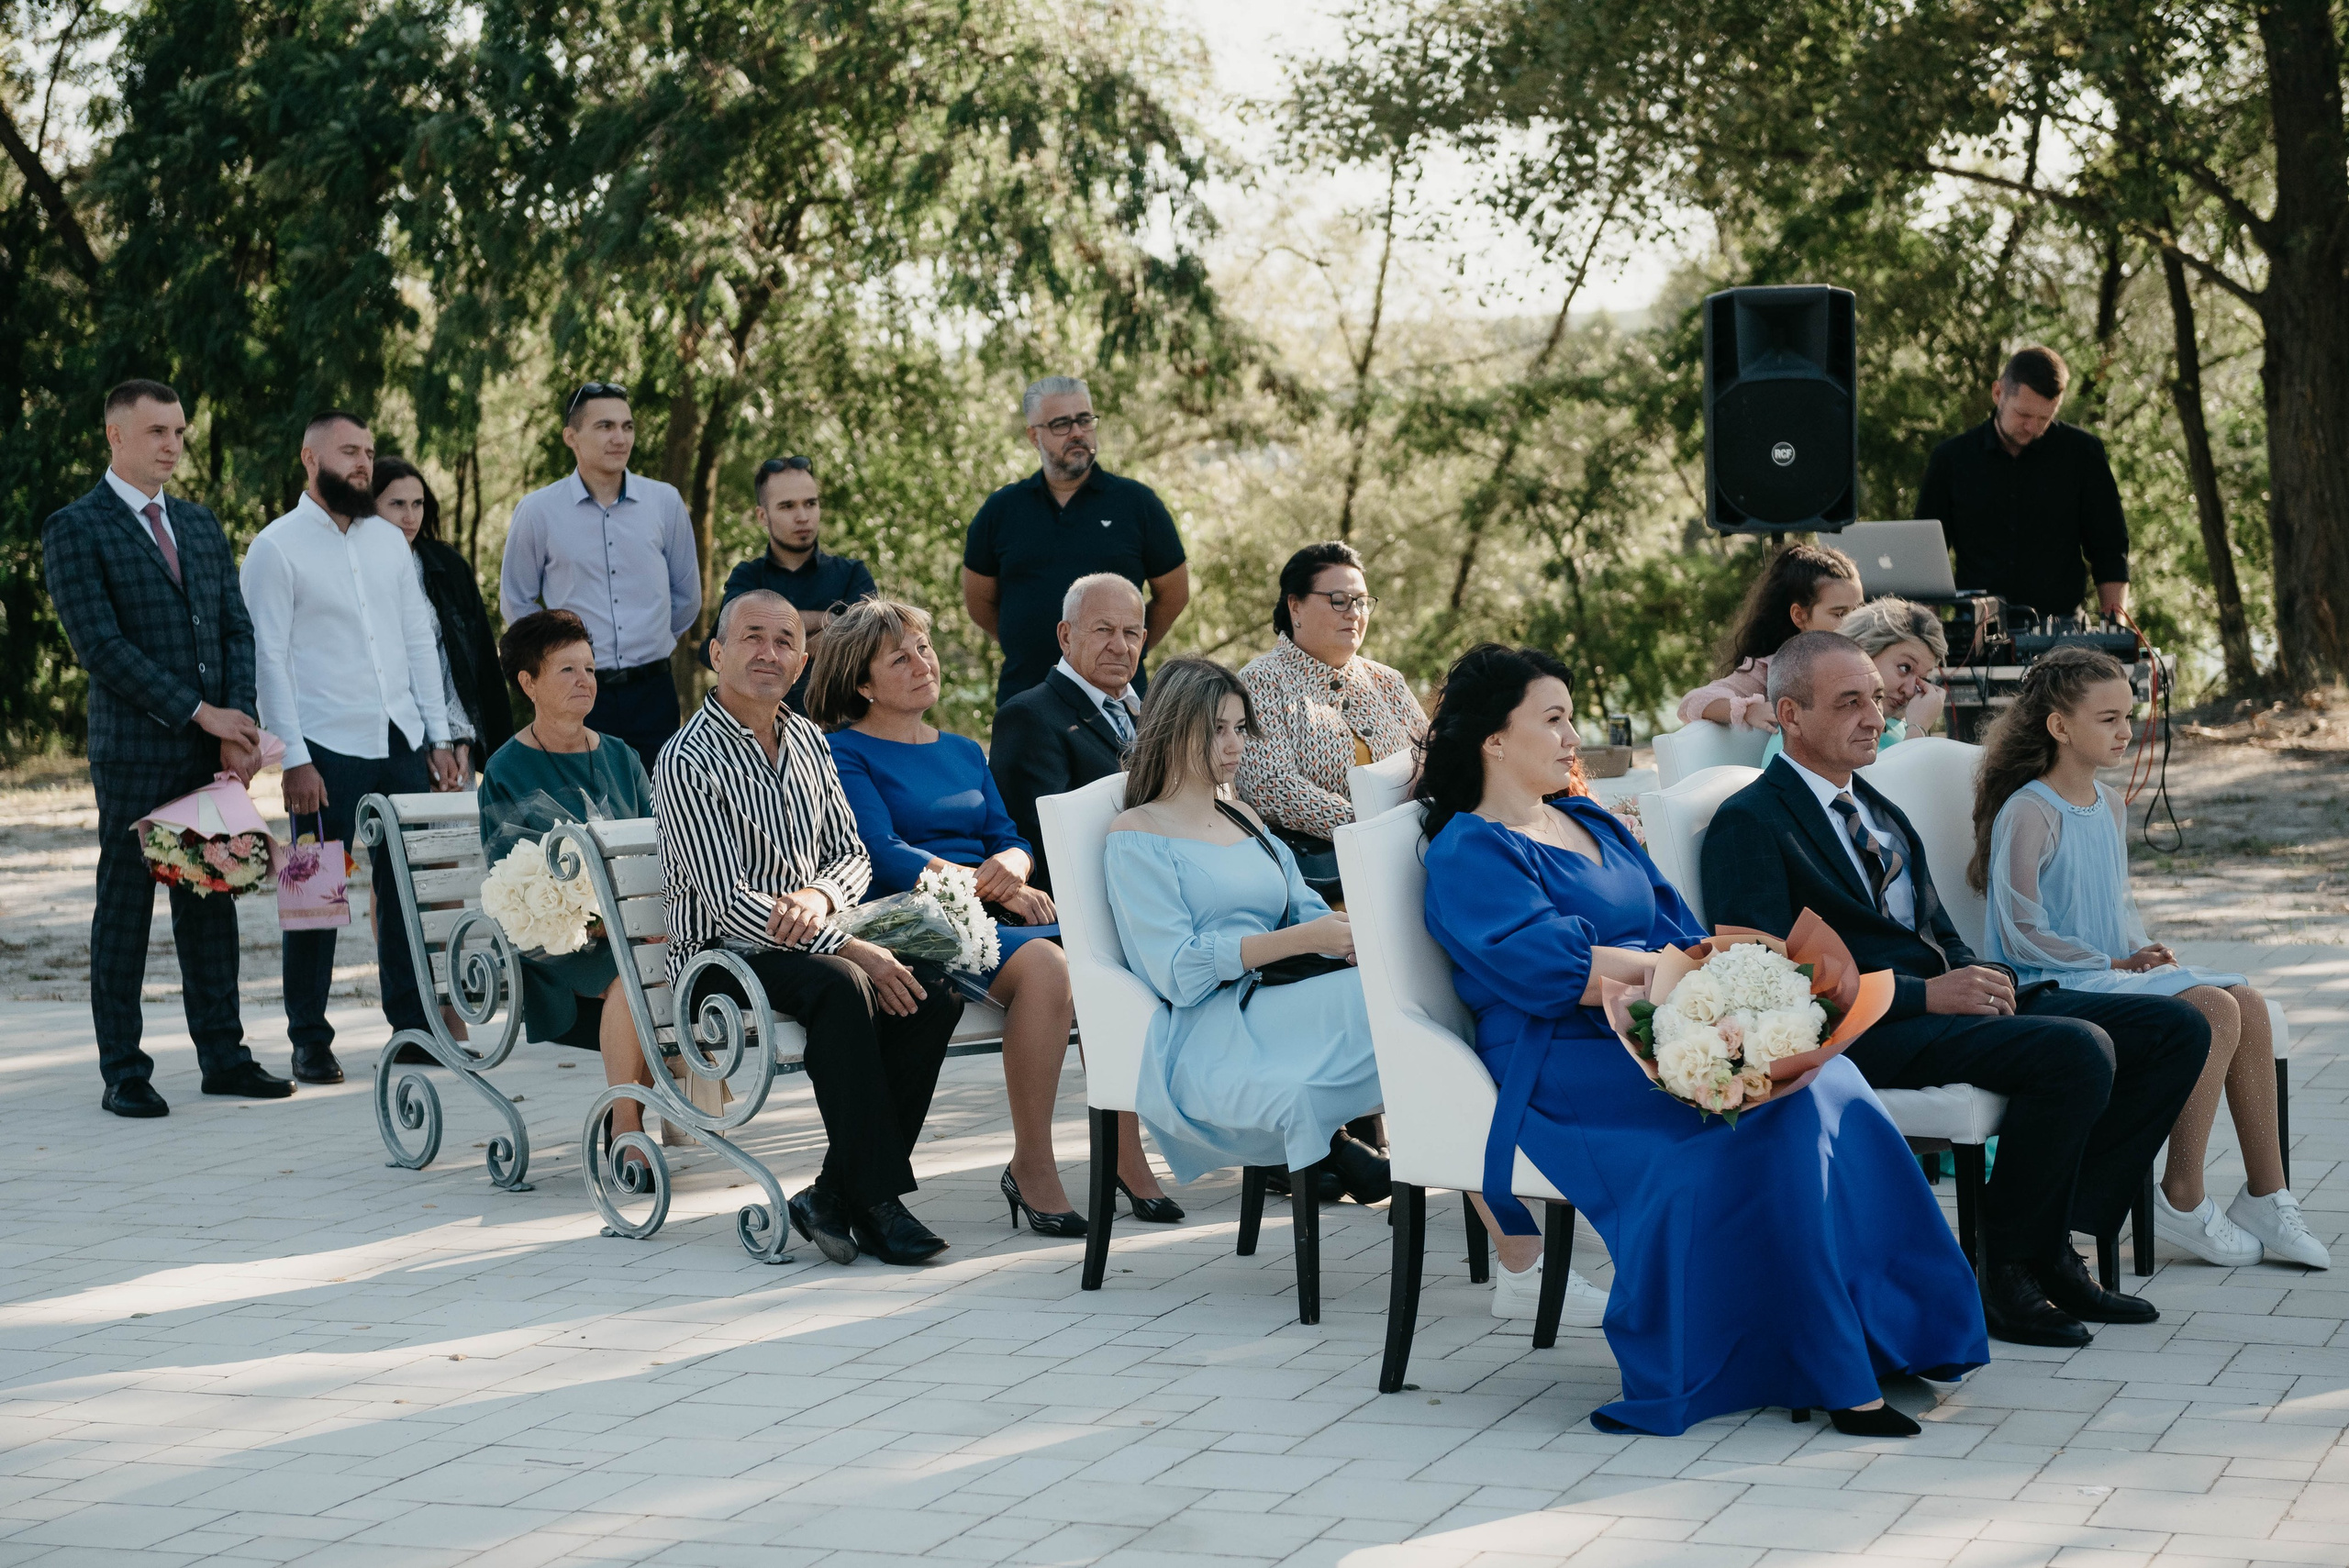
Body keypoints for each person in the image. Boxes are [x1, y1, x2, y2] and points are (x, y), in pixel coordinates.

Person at [1420, 643, 1985, 1437]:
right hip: (1564, 1057)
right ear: (1493, 739)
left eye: (1571, 715)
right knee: (1773, 1121)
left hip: (1663, 1022)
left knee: (1829, 1084)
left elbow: (1679, 932)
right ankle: (1825, 1368)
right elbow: (1554, 968)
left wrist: (1731, 1000)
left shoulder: (1583, 817)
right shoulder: (1469, 848)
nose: (1573, 735)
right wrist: (1671, 975)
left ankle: (1887, 1333)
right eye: (1553, 719)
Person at [1700, 631, 2210, 1350]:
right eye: (1849, 702)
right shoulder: (1751, 822)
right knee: (2077, 1051)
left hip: (1942, 1005)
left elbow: (1934, 922)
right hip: (1867, 1029)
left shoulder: (1876, 806)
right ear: (1788, 713)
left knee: (2177, 1029)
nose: (1875, 715)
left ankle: (2053, 1243)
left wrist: (1983, 974)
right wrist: (1923, 995)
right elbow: (1759, 980)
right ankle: (2004, 1270)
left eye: (1875, 698)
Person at [810, 598, 1175, 1233]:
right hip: (916, 919)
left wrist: (1013, 865)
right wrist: (991, 885)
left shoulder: (961, 749)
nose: (923, 662)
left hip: (985, 914)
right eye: (901, 657)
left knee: (1114, 952)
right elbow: (882, 855)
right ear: (863, 683)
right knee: (1045, 966)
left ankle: (1126, 1151)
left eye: (924, 648)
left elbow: (1010, 836)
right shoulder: (844, 752)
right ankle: (1033, 1164)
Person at [1974, 648, 2326, 1270]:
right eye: (2107, 718)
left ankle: (2266, 1194)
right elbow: (2020, 930)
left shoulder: (2109, 805)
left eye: (2128, 715)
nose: (2125, 731)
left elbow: (2117, 908)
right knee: (2213, 1007)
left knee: (2247, 1000)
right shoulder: (2029, 809)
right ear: (2059, 726)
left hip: (2106, 970)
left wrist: (2140, 954)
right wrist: (2114, 958)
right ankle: (2181, 1194)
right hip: (2046, 983)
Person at [655, 589, 964, 1266]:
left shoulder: (807, 742)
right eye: (753, 637)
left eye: (786, 641)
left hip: (811, 938)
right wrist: (847, 942)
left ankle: (832, 1193)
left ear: (801, 662)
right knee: (848, 983)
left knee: (932, 989)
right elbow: (726, 904)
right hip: (722, 958)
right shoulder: (687, 758)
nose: (770, 652)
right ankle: (878, 1206)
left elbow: (851, 854)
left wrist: (820, 897)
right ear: (717, 654)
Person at [41, 378, 291, 1115]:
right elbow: (102, 649)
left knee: (211, 902)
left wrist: (238, 723)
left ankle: (224, 1056)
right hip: (135, 753)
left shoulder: (202, 524)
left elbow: (236, 629)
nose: (173, 446)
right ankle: (124, 1070)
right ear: (116, 435)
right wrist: (198, 712)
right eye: (157, 433)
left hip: (213, 753)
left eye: (179, 431)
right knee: (125, 911)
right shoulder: (75, 527)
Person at [1101, 658, 1388, 1205]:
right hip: (1215, 1025)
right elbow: (1178, 973)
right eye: (1216, 730)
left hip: (1283, 995)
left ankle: (1354, 1143)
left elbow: (1302, 908)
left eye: (1239, 729)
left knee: (1401, 983)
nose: (1235, 745)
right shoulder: (1137, 835)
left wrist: (1356, 934)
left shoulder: (1244, 818)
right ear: (1174, 727)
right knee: (1387, 1004)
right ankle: (1368, 1145)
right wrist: (1307, 941)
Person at [243, 411, 461, 1088]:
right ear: (310, 457)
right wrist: (293, 756)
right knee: (314, 897)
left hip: (398, 738)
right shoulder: (275, 548)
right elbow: (268, 660)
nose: (364, 464)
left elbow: (419, 640)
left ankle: (414, 1026)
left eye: (369, 452)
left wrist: (439, 733)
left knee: (404, 895)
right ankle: (310, 1038)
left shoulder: (387, 543)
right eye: (349, 452)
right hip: (323, 749)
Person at [473, 609, 660, 1178]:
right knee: (638, 976)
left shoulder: (622, 755)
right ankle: (627, 1128)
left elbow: (659, 846)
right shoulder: (506, 767)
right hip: (559, 946)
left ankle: (646, 1107)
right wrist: (608, 922)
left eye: (590, 668)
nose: (586, 681)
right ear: (528, 683)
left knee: (662, 961)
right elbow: (516, 880)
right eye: (567, 670)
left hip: (638, 928)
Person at [500, 382, 701, 773]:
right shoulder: (538, 511)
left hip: (653, 690)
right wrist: (558, 660)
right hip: (576, 690)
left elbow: (686, 596)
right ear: (571, 437)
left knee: (657, 809)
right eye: (605, 426)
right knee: (582, 815)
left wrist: (651, 643)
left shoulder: (665, 502)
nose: (620, 437)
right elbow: (517, 602)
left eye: (627, 427)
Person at [963, 376, 1188, 706]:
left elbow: (1174, 595)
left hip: (1117, 705)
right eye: (1061, 424)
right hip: (1025, 699)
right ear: (1033, 436)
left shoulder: (1137, 504)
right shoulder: (1001, 511)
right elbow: (979, 603)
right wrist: (1024, 641)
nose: (1077, 432)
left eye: (1084, 420)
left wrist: (1123, 648)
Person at [1235, 540, 1426, 888]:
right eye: (1339, 600)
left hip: (1411, 861)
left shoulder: (1387, 681)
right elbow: (1270, 787)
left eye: (1362, 602)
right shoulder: (1260, 680)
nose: (1354, 613)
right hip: (1319, 878)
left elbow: (1433, 762)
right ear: (1295, 607)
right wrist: (1370, 824)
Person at [1918, 345, 2131, 621]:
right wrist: (1927, 638)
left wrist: (2116, 630)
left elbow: (2110, 550)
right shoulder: (1951, 459)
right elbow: (1927, 557)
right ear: (1998, 394)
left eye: (2045, 418)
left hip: (2062, 628)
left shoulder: (2084, 455)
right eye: (2024, 415)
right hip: (1976, 629)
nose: (2033, 427)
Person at [988, 572, 1145, 893]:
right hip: (1086, 907)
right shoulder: (1028, 716)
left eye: (1130, 632)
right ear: (1066, 636)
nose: (1119, 646)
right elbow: (1045, 841)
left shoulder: (1155, 714)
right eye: (1104, 629)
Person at [373, 457, 513, 776]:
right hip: (388, 742)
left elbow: (470, 661)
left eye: (418, 503)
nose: (410, 516)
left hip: (455, 735)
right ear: (370, 507)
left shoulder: (447, 566)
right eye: (397, 504)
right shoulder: (356, 571)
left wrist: (458, 738)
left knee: (455, 824)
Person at [701, 455, 875, 713]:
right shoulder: (747, 577)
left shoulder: (852, 574)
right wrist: (834, 621)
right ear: (762, 516)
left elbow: (868, 646)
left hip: (839, 735)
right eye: (787, 506)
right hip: (755, 736)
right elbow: (723, 647)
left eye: (810, 503)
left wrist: (766, 634)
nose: (803, 516)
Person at [1675, 541, 1863, 731]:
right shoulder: (1771, 670)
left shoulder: (1871, 657)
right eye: (1840, 614)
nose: (1854, 621)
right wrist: (1749, 710)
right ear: (1800, 616)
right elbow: (1692, 702)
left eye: (1859, 610)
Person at [1759, 595, 1946, 766]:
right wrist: (1918, 729)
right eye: (1905, 668)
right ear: (1864, 651)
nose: (1911, 690)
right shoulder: (1812, 721)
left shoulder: (1898, 728)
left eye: (1922, 678)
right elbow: (1872, 797)